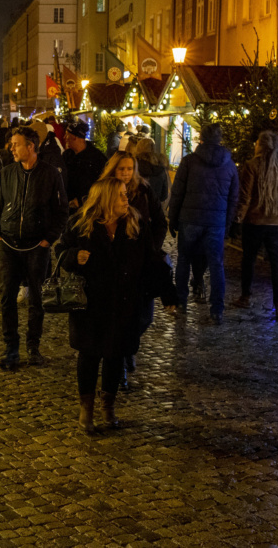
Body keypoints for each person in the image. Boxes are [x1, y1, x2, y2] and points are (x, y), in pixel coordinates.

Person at [54, 178, 173, 433]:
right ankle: (86, 408)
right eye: (120, 195)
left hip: (124, 302)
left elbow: (151, 259)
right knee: (89, 355)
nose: (126, 199)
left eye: (125, 194)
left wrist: (168, 295)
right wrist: (74, 257)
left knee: (115, 355)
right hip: (89, 303)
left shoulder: (136, 223)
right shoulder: (80, 223)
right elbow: (61, 250)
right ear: (106, 199)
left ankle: (108, 405)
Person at [0, 127, 69, 371]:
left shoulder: (50, 175)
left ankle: (33, 347)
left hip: (37, 245)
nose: (11, 148)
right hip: (9, 244)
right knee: (7, 297)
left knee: (36, 297)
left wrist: (49, 238)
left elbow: (61, 210)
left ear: (30, 146)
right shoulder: (6, 174)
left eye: (15, 144)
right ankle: (11, 349)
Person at [99, 151, 173, 388]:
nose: (126, 173)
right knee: (118, 318)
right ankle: (119, 360)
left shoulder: (143, 190)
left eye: (130, 169)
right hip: (116, 265)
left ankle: (127, 346)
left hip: (141, 262)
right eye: (122, 169)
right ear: (113, 170)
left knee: (145, 317)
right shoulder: (105, 189)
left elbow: (160, 221)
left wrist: (151, 247)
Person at [168, 122, 240, 323]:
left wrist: (173, 219)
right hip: (216, 222)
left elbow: (178, 192)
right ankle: (217, 309)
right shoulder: (230, 166)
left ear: (202, 138)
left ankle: (181, 303)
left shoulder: (190, 161)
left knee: (184, 260)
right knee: (217, 265)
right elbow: (234, 199)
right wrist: (226, 225)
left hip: (190, 219)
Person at [233, 130, 278, 320]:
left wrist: (238, 218)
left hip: (255, 221)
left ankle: (245, 296)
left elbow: (245, 197)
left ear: (260, 145)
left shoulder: (252, 165)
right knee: (277, 263)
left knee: (249, 259)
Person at [63, 120, 108, 210]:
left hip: (89, 208)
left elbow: (103, 184)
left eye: (67, 135)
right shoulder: (67, 155)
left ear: (74, 137)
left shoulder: (97, 158)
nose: (64, 138)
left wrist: (81, 200)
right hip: (69, 207)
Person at [134, 137, 171, 207]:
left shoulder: (133, 166)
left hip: (136, 208)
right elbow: (164, 195)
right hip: (155, 208)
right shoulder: (161, 167)